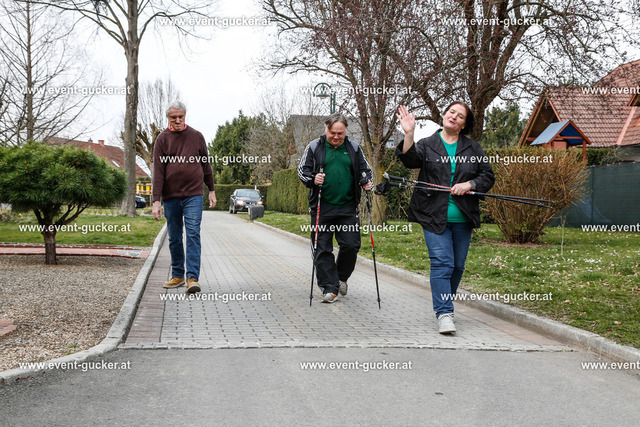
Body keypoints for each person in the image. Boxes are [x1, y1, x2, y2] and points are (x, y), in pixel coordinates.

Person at [396, 103, 495, 333]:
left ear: (463, 125)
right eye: (451, 112)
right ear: (444, 115)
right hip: (432, 215)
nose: (454, 117)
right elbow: (410, 160)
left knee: (457, 266)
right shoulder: (427, 144)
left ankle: (444, 302)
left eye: (460, 116)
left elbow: (487, 176)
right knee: (442, 263)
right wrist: (409, 133)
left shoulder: (472, 148)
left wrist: (470, 184)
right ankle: (444, 312)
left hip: (463, 217)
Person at [298, 113, 373, 303]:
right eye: (333, 133)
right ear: (326, 129)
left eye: (340, 133)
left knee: (351, 245)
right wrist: (313, 178)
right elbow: (302, 171)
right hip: (321, 206)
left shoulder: (353, 148)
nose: (336, 137)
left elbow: (365, 170)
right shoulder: (314, 147)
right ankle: (329, 289)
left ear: (345, 131)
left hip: (347, 207)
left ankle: (340, 278)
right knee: (322, 248)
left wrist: (365, 180)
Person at [152, 101, 216, 293]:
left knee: (193, 233)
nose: (178, 120)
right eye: (174, 117)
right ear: (168, 118)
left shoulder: (196, 137)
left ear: (185, 116)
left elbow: (205, 164)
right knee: (174, 237)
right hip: (171, 196)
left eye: (181, 117)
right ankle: (178, 275)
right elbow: (158, 171)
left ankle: (192, 278)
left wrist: (211, 190)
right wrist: (156, 201)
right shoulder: (162, 139)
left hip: (193, 195)